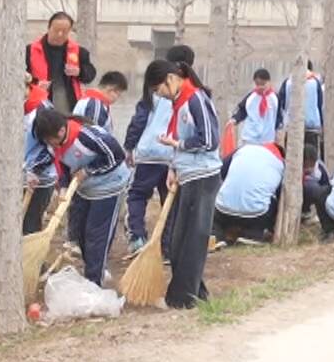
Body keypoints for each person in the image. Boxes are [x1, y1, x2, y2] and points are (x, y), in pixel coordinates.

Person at [34, 110, 130, 287]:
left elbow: (117, 155)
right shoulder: (57, 143)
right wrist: (63, 186)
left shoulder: (87, 137)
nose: (50, 145)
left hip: (109, 186)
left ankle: (94, 282)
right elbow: (63, 165)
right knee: (80, 234)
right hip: (86, 188)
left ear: (61, 131)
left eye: (49, 140)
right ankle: (95, 271)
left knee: (97, 234)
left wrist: (88, 171)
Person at [155, 58, 221, 308]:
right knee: (177, 240)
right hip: (187, 175)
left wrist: (177, 146)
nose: (159, 95)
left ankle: (182, 299)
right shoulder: (179, 103)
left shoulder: (196, 99)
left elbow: (210, 141)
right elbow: (180, 138)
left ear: (171, 79)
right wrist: (173, 166)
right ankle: (196, 292)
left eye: (158, 89)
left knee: (192, 240)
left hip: (203, 177)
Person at [123, 60, 177, 255]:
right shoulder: (180, 97)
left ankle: (137, 237)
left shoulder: (151, 97)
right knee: (169, 200)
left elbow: (138, 122)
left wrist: (129, 147)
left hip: (148, 154)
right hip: (170, 154)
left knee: (137, 195)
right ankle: (167, 245)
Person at [212, 142, 286, 244]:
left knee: (222, 202)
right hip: (256, 215)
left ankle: (216, 234)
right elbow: (281, 195)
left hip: (223, 210)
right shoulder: (280, 164)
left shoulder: (242, 150)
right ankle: (253, 234)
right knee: (273, 199)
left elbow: (222, 171)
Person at [26, 11, 92, 115]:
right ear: (49, 28)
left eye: (64, 31)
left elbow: (90, 75)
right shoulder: (30, 50)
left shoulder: (79, 51)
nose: (60, 34)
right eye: (56, 30)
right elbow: (21, 77)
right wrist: (36, 84)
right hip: (38, 106)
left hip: (69, 106)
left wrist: (79, 72)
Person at [21, 104, 64, 234]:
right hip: (25, 175)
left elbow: (52, 150)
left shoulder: (47, 123)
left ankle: (29, 251)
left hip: (42, 180)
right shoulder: (29, 116)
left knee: (30, 223)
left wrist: (34, 171)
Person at [276, 63, 325, 162]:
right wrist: (322, 124)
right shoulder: (315, 82)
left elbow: (282, 103)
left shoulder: (288, 82)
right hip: (311, 127)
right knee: (310, 158)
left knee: (291, 159)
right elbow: (320, 105)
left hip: (292, 126)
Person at [231, 68, 279, 147]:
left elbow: (278, 116)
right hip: (250, 137)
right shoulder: (251, 97)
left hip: (267, 138)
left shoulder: (275, 98)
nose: (260, 87)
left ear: (269, 82)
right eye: (257, 84)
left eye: (263, 84)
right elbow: (242, 110)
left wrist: (277, 130)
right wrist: (235, 119)